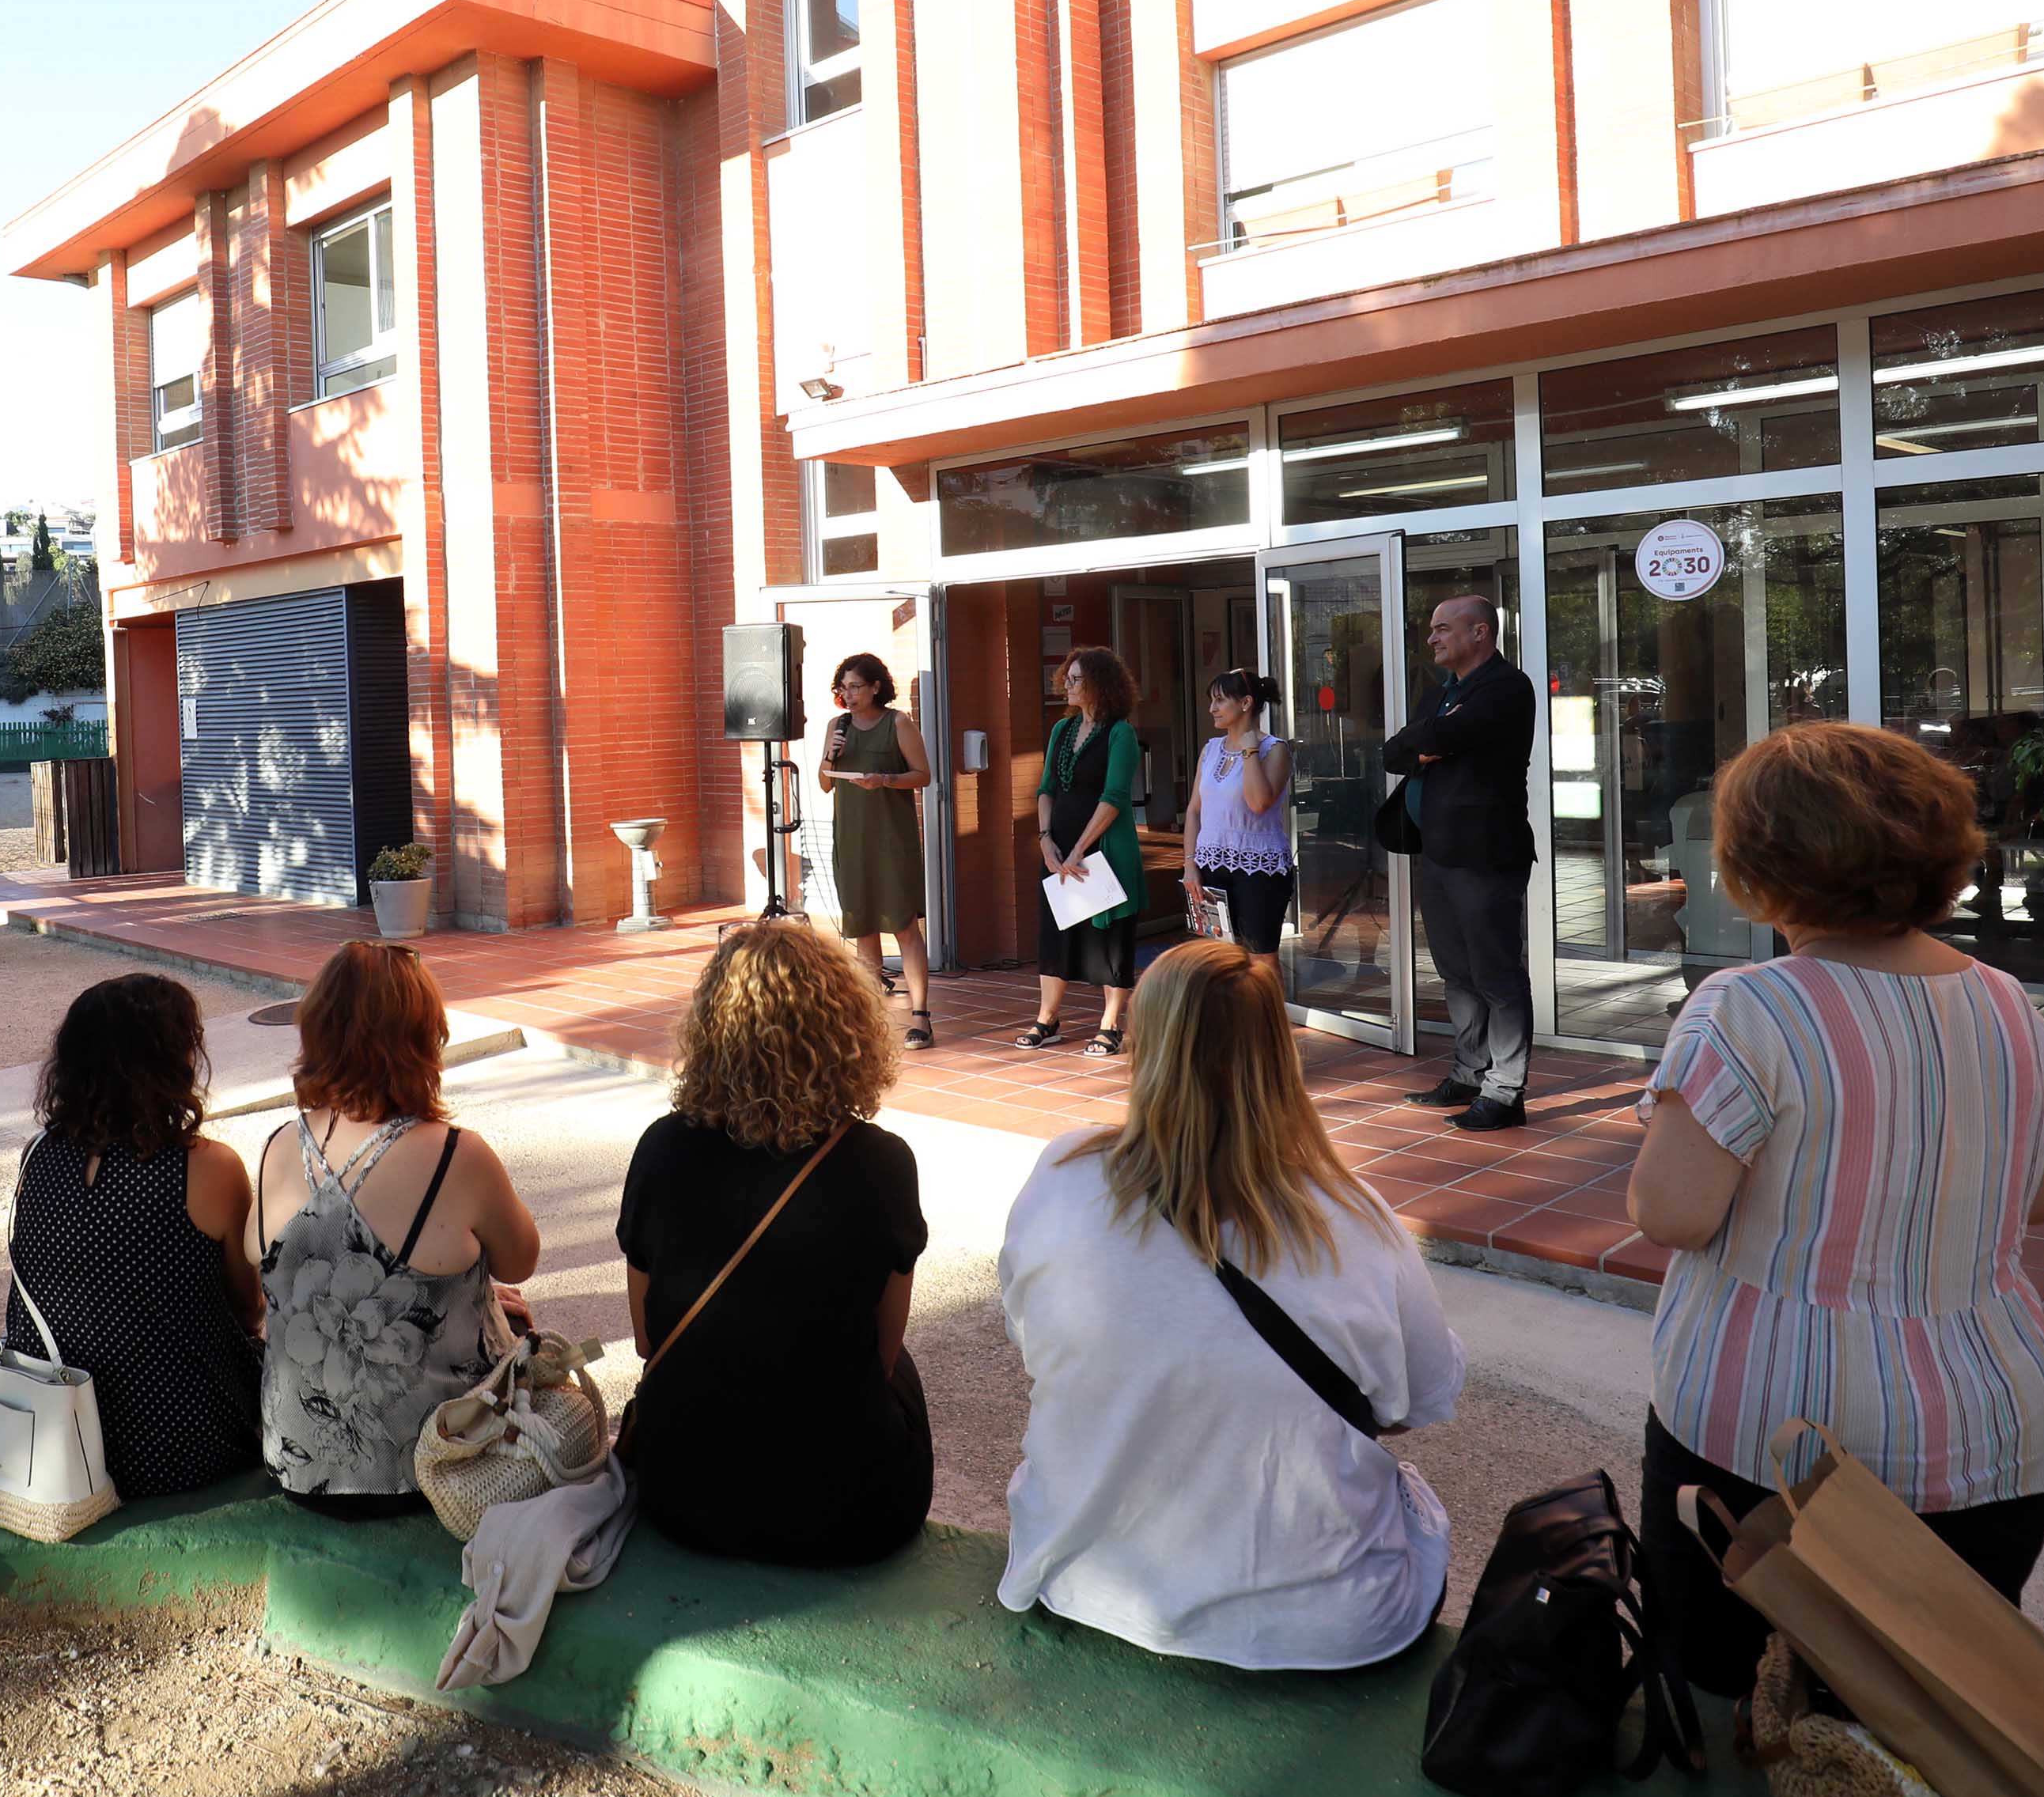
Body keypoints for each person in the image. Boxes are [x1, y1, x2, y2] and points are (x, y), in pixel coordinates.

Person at [1628, 723, 2044, 1697]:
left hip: (1770, 1435)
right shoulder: (2012, 1006)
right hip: (1997, 1432)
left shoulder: (1747, 1008)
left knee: (1727, 1703)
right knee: (1924, 1730)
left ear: (1757, 863)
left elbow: (1671, 1212)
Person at [997, 940, 1462, 1667]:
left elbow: (1035, 1344)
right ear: (1280, 1053)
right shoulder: (1356, 1218)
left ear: (1142, 1047)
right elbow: (1419, 1400)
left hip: (1085, 1584)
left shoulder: (1061, 1176)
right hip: (1334, 1624)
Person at [621, 918, 930, 1566]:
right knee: (902, 1372)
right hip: (852, 1512)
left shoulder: (662, 1147)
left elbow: (650, 1341)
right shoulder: (882, 1163)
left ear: (711, 1031)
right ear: (845, 1031)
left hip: (683, 1495)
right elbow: (882, 1350)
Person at [252, 940, 540, 1514]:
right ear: (423, 1039)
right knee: (516, 1318)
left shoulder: (279, 1149)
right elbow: (520, 1260)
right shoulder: (459, 1155)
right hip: (436, 1472)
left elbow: (265, 1272)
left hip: (301, 1469)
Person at [6, 974, 263, 1498]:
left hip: (64, 1442)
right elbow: (247, 1306)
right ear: (172, 1062)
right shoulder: (208, 1168)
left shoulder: (37, 1156)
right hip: (184, 1446)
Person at [1380, 594, 1537, 1133]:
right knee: (1456, 973)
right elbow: (1394, 751)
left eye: (1444, 628)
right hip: (1440, 854)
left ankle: (1505, 1091)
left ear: (1481, 633)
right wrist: (1426, 744)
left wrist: (1430, 742)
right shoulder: (1440, 693)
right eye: (1432, 629)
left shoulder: (1505, 687)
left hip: (1486, 856)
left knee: (1496, 973)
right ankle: (1469, 1073)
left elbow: (1438, 737)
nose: (1433, 638)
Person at [1020, 645, 1145, 1054]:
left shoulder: (1120, 733)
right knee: (1056, 933)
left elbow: (1113, 798)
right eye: (1067, 678)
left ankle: (1110, 1025)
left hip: (1103, 849)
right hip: (1058, 849)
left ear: (1099, 684)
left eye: (1076, 679)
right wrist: (1045, 841)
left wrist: (1079, 851)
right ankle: (1047, 1019)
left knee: (1108, 939)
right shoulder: (1063, 730)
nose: (1067, 686)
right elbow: (1046, 790)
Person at [816, 651, 937, 1050]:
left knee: (903, 925)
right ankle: (870, 1016)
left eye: (855, 687)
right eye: (843, 688)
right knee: (862, 924)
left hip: (891, 838)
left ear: (875, 687)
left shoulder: (898, 723)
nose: (848, 695)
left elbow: (923, 775)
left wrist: (884, 779)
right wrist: (832, 754)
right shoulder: (838, 726)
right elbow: (825, 783)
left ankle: (920, 1016)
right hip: (851, 838)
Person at [1181, 668, 1293, 958]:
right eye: (1212, 701)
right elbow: (1194, 811)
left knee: (1260, 959)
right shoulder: (1210, 750)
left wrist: (1250, 751)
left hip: (1260, 867)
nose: (1212, 709)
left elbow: (1259, 803)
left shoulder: (1275, 749)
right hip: (1210, 866)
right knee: (1218, 958)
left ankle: (1269, 1006)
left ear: (1245, 703)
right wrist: (1190, 865)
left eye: (1220, 701)